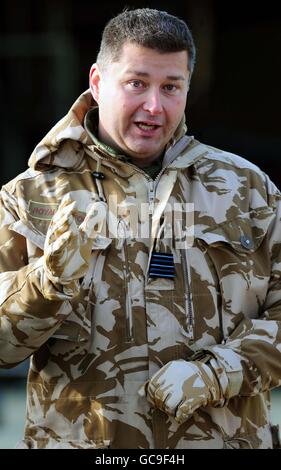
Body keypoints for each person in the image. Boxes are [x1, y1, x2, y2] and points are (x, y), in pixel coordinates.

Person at [0, 7, 281, 450]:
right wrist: (49, 282)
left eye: (171, 87)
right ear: (96, 82)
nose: (154, 106)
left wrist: (218, 371)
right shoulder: (31, 197)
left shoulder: (248, 190)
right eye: (136, 83)